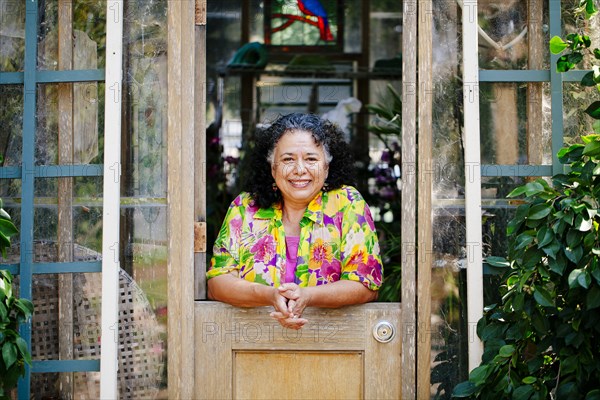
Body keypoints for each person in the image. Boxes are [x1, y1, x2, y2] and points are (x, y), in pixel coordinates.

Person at [207, 113, 383, 330]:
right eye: (288, 159)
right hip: (251, 345)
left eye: (311, 159)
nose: (300, 170)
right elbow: (217, 283)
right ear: (273, 168)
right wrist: (269, 296)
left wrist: (308, 296)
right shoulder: (245, 208)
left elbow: (367, 285)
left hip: (335, 348)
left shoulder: (347, 204)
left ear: (327, 167)